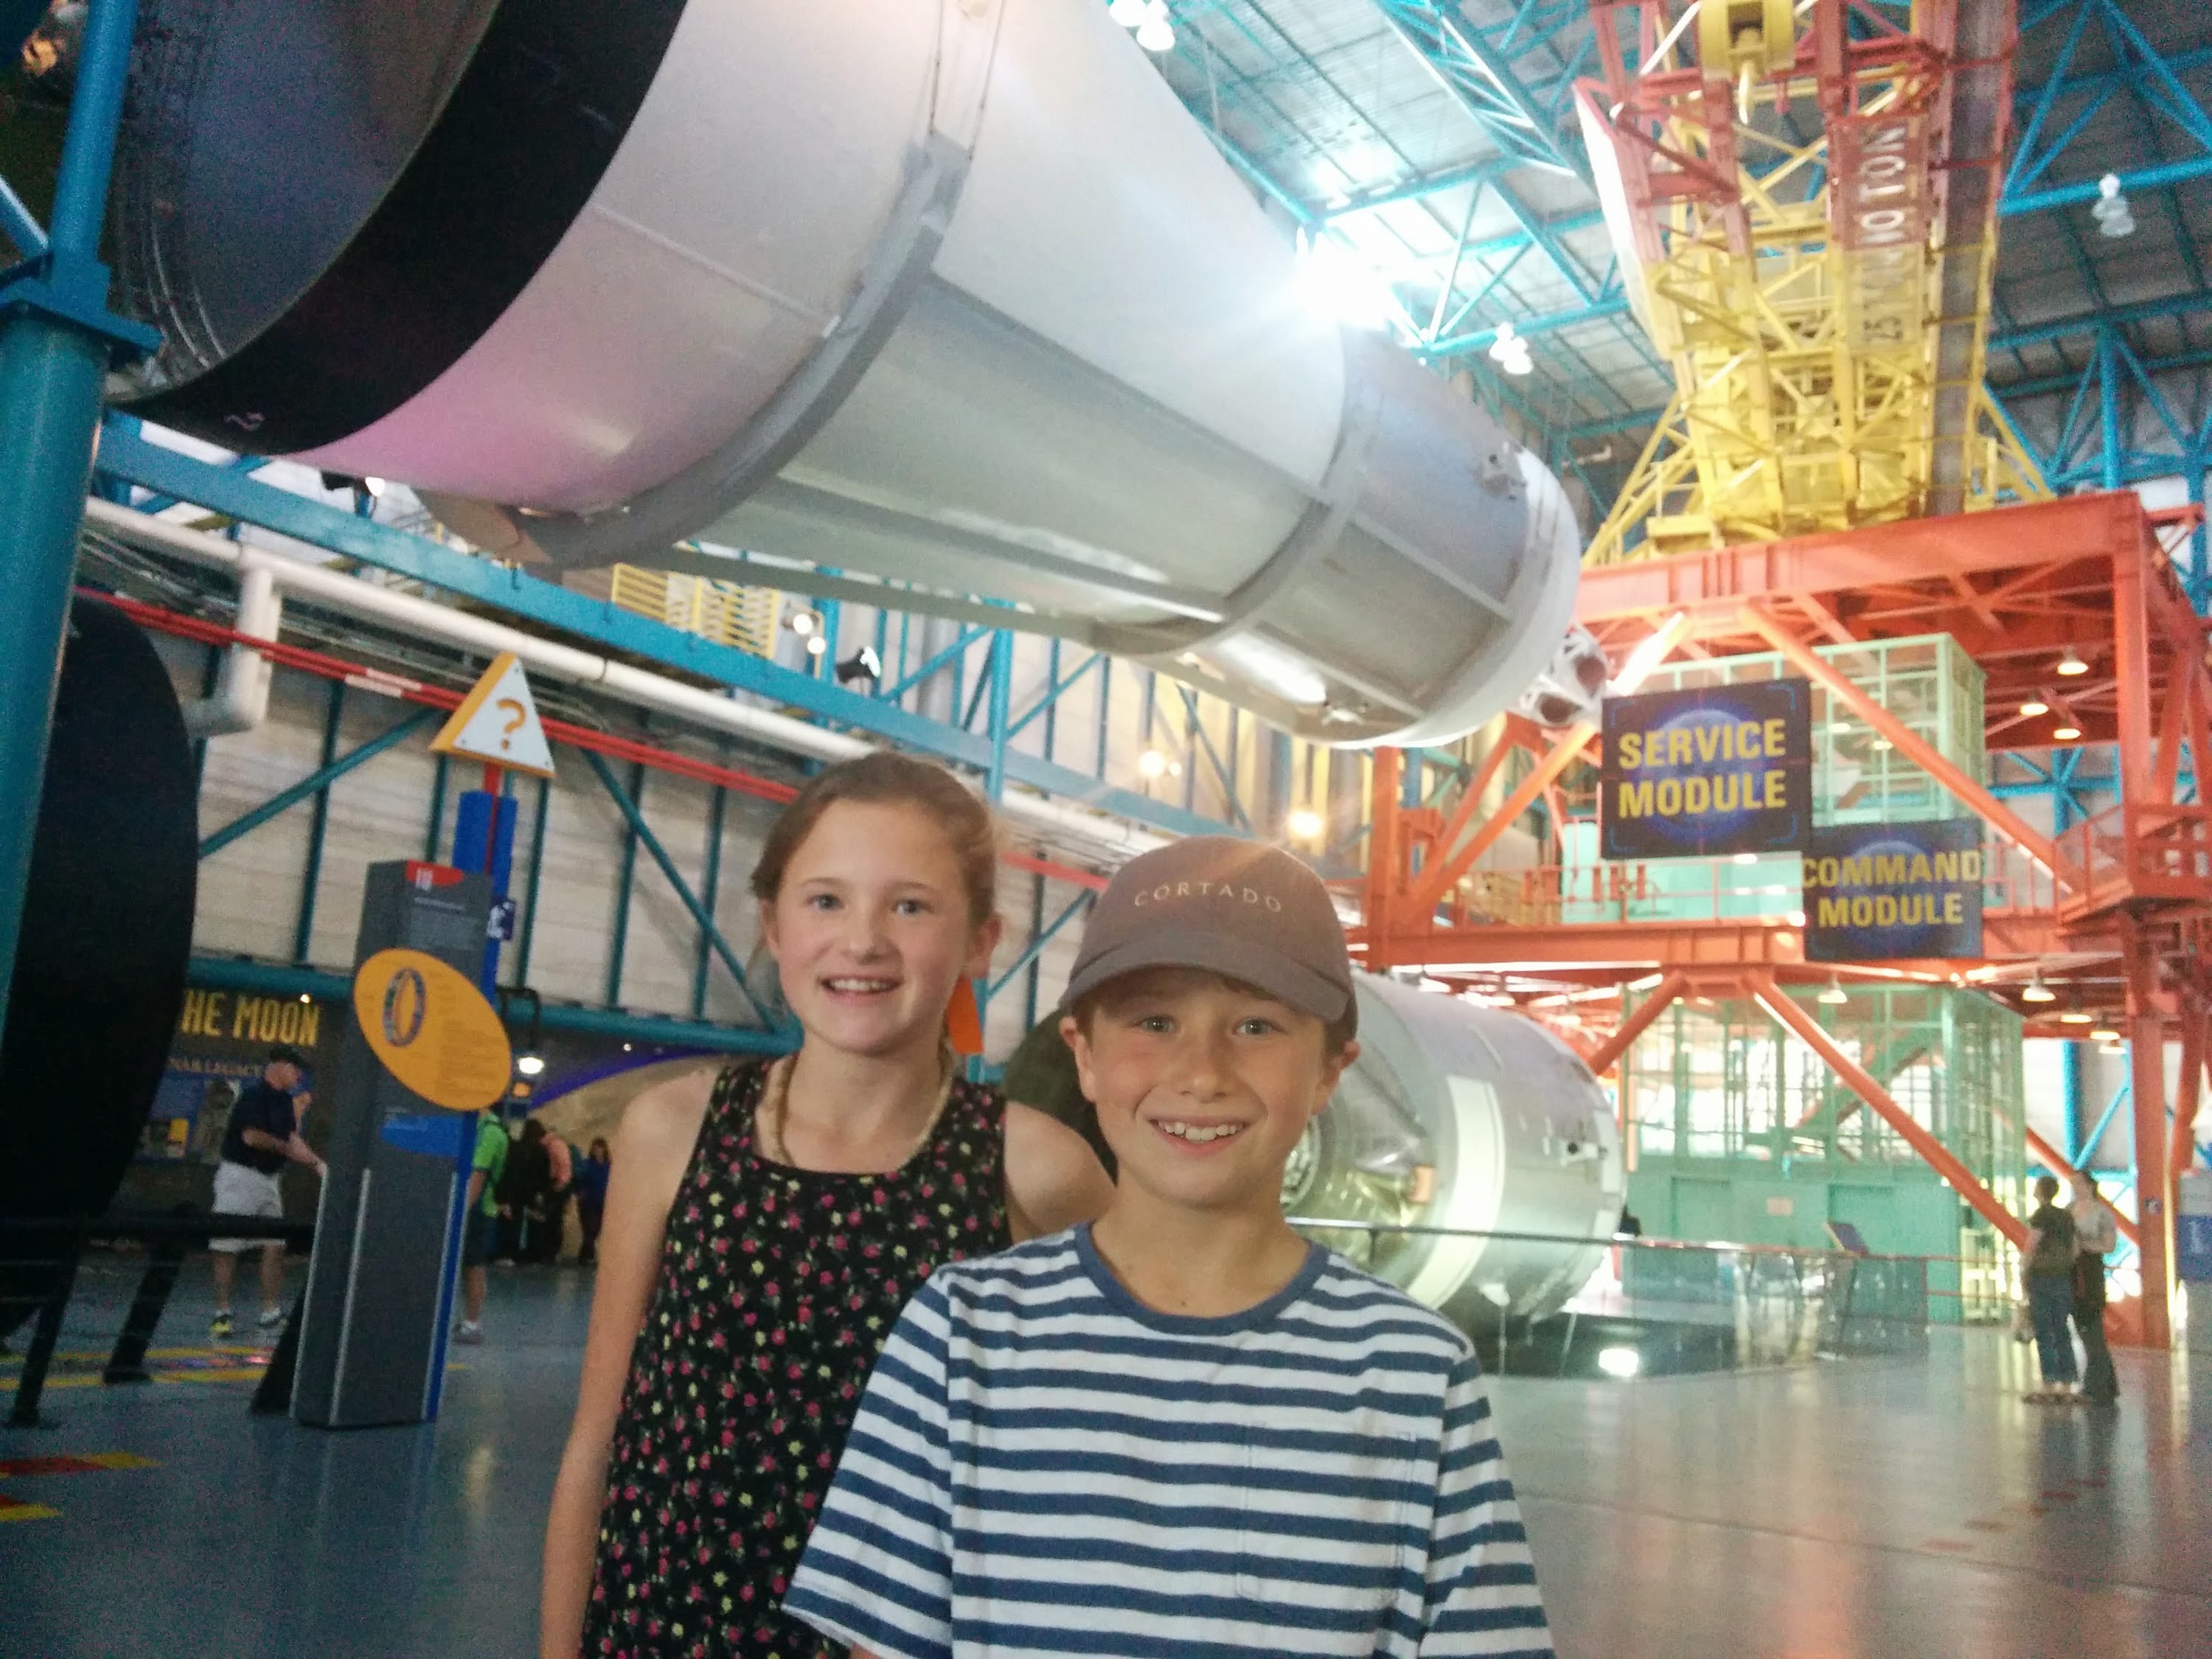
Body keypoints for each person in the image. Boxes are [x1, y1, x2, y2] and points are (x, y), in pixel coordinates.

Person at [785, 837, 1554, 1659]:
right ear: (1084, 1055)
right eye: (1154, 1022)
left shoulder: (1414, 1376)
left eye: (1256, 1026)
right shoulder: (962, 1334)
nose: (1201, 1073)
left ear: (1331, 1071)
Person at [541, 752, 1114, 1659]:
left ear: (980, 942)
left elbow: (1096, 1466)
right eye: (826, 901)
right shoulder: (672, 1131)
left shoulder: (1033, 1168)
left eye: (910, 906)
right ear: (774, 926)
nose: (864, 941)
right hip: (660, 1628)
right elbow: (599, 1438)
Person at [209, 1045, 324, 1339]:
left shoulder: (284, 1101)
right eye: (295, 1069)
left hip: (269, 1180)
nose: (299, 1076)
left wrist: (317, 1164)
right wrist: (285, 1148)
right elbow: (252, 1137)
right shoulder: (254, 1096)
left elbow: (291, 1139)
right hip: (240, 1176)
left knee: (275, 1243)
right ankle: (222, 1313)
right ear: (279, 1066)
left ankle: (270, 1312)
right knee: (227, 1246)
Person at [2023, 1173, 2079, 1402]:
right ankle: (2067, 1384)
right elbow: (2074, 1248)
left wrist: (2024, 1272)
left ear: (2040, 1191)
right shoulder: (2066, 1216)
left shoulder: (2041, 1216)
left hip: (2042, 1278)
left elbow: (2032, 1245)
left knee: (2044, 1331)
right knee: (2062, 1329)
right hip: (2062, 1277)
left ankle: (2049, 1383)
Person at [455, 1111, 509, 1345]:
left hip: (480, 1210)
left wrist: (462, 1210)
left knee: (473, 1266)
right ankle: (468, 1319)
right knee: (470, 1265)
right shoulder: (487, 1129)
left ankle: (472, 1322)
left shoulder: (490, 1132)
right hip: (480, 1209)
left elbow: (479, 1174)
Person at [2070, 1172, 2120, 1406]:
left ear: (2090, 1186)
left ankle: (2095, 1385)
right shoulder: (2069, 1210)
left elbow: (2109, 1245)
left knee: (2092, 1329)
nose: (2075, 1187)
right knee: (2085, 1330)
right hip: (2072, 1272)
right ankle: (2106, 1384)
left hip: (2090, 1274)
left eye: (2078, 1183)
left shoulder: (2102, 1213)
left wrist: (2084, 1246)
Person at [498, 1119, 552, 1262]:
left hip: (515, 1189)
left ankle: (508, 1254)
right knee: (535, 1222)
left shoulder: (516, 1147)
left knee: (511, 1222)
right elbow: (545, 1174)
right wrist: (542, 1192)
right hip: (533, 1190)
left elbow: (509, 1170)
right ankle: (533, 1254)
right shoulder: (542, 1151)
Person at [533, 1128, 574, 1263]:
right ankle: (552, 1252)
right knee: (554, 1219)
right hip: (560, 1184)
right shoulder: (557, 1143)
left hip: (557, 1185)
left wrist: (560, 1183)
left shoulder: (553, 1145)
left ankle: (550, 1251)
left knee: (552, 1219)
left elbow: (563, 1164)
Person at [574, 1138, 611, 1267]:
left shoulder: (609, 1166)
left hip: (602, 1201)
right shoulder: (587, 1164)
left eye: (599, 1149)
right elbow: (578, 1179)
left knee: (597, 1229)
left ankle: (586, 1254)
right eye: (595, 1149)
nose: (597, 1151)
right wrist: (579, 1191)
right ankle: (587, 1255)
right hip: (588, 1202)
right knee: (590, 1228)